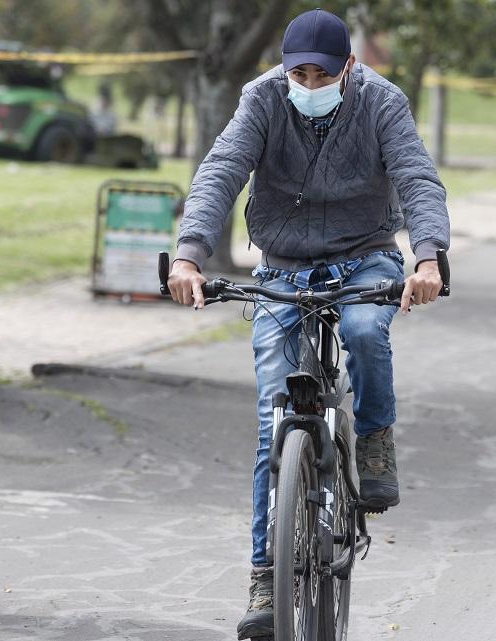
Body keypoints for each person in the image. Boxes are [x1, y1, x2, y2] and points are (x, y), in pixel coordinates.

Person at [165, 9, 449, 638]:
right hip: (284, 266)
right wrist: (188, 253)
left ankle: (373, 438)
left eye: (324, 73)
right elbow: (221, 171)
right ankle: (265, 575)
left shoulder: (383, 102)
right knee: (273, 420)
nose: (311, 83)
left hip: (365, 255)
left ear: (349, 67)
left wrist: (427, 257)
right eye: (300, 72)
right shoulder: (262, 99)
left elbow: (416, 177)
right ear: (284, 68)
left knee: (367, 332)